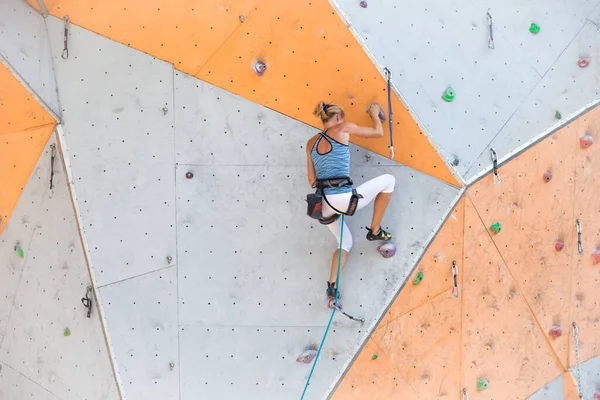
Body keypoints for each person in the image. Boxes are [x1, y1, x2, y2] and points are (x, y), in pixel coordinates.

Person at [306, 101, 396, 308]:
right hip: (344, 199)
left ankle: (332, 290)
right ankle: (374, 230)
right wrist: (374, 113)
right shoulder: (343, 127)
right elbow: (377, 132)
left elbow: (311, 179)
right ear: (338, 117)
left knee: (344, 244)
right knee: (389, 180)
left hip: (323, 205)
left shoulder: (310, 143)